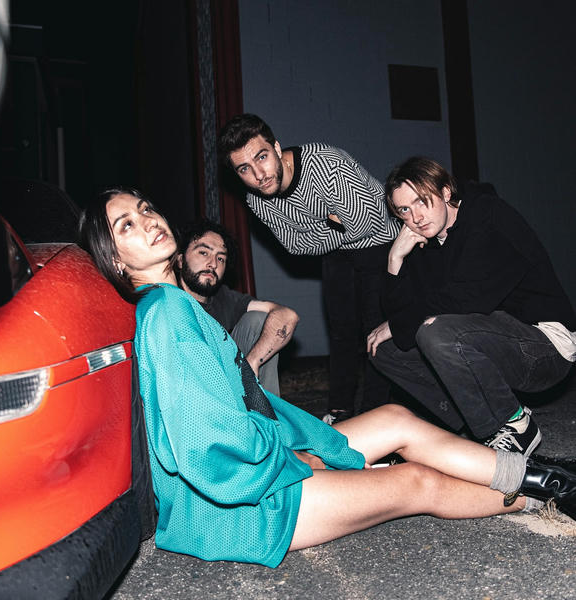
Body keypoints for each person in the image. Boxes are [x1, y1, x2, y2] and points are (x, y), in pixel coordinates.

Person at [79, 185, 576, 568]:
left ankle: (532, 472)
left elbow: (251, 403)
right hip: (243, 507)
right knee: (415, 482)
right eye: (127, 225)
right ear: (115, 259)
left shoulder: (180, 304)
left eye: (145, 208)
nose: (148, 221)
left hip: (261, 462)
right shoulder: (166, 314)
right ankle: (542, 496)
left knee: (395, 419)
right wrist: (292, 461)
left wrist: (311, 443)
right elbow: (204, 447)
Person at [367, 156, 576, 456]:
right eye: (404, 210)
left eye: (421, 201)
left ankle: (514, 424)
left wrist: (403, 322)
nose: (416, 217)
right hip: (491, 339)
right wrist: (394, 259)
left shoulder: (487, 214)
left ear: (445, 192)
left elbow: (469, 298)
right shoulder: (425, 244)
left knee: (435, 331)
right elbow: (399, 316)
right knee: (386, 349)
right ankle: (471, 427)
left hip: (545, 346)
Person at [217, 113, 399, 421]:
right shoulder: (257, 200)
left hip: (380, 243)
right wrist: (335, 222)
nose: (259, 175)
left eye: (262, 157)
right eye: (244, 169)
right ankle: (339, 411)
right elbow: (294, 245)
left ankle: (376, 413)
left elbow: (367, 224)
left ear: (276, 148)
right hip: (338, 253)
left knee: (376, 332)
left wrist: (320, 230)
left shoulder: (326, 164)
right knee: (341, 331)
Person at [177, 218, 299, 396]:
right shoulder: (167, 298)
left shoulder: (224, 297)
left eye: (221, 258)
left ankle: (263, 411)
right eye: (203, 253)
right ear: (180, 260)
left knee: (259, 320)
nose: (213, 264)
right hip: (186, 392)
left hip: (226, 382)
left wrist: (252, 362)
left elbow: (287, 315)